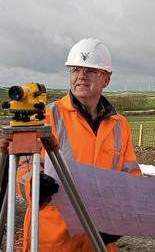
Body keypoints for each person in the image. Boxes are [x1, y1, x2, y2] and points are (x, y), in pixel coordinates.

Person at [16, 38, 141, 251]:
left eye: (90, 71)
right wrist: (33, 186)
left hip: (98, 239)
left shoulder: (119, 125)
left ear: (106, 79)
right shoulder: (45, 116)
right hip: (53, 240)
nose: (81, 76)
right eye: (75, 70)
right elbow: (21, 168)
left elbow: (129, 178)